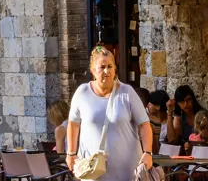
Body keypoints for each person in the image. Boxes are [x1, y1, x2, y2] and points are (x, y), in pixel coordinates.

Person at [65, 45, 154, 181]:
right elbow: (73, 124)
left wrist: (147, 152)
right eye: (102, 67)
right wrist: (71, 153)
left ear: (115, 69)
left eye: (110, 66)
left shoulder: (127, 92)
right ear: (92, 70)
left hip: (127, 172)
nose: (106, 71)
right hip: (92, 171)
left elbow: (144, 125)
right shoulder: (82, 93)